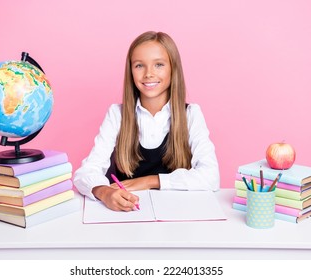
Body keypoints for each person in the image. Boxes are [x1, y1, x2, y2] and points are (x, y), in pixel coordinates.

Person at [73, 31, 220, 212]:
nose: (149, 74)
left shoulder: (191, 114)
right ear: (131, 71)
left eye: (158, 65)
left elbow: (211, 177)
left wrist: (149, 181)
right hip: (127, 216)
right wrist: (104, 192)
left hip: (175, 215)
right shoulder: (117, 115)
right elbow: (85, 173)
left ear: (173, 69)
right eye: (139, 65)